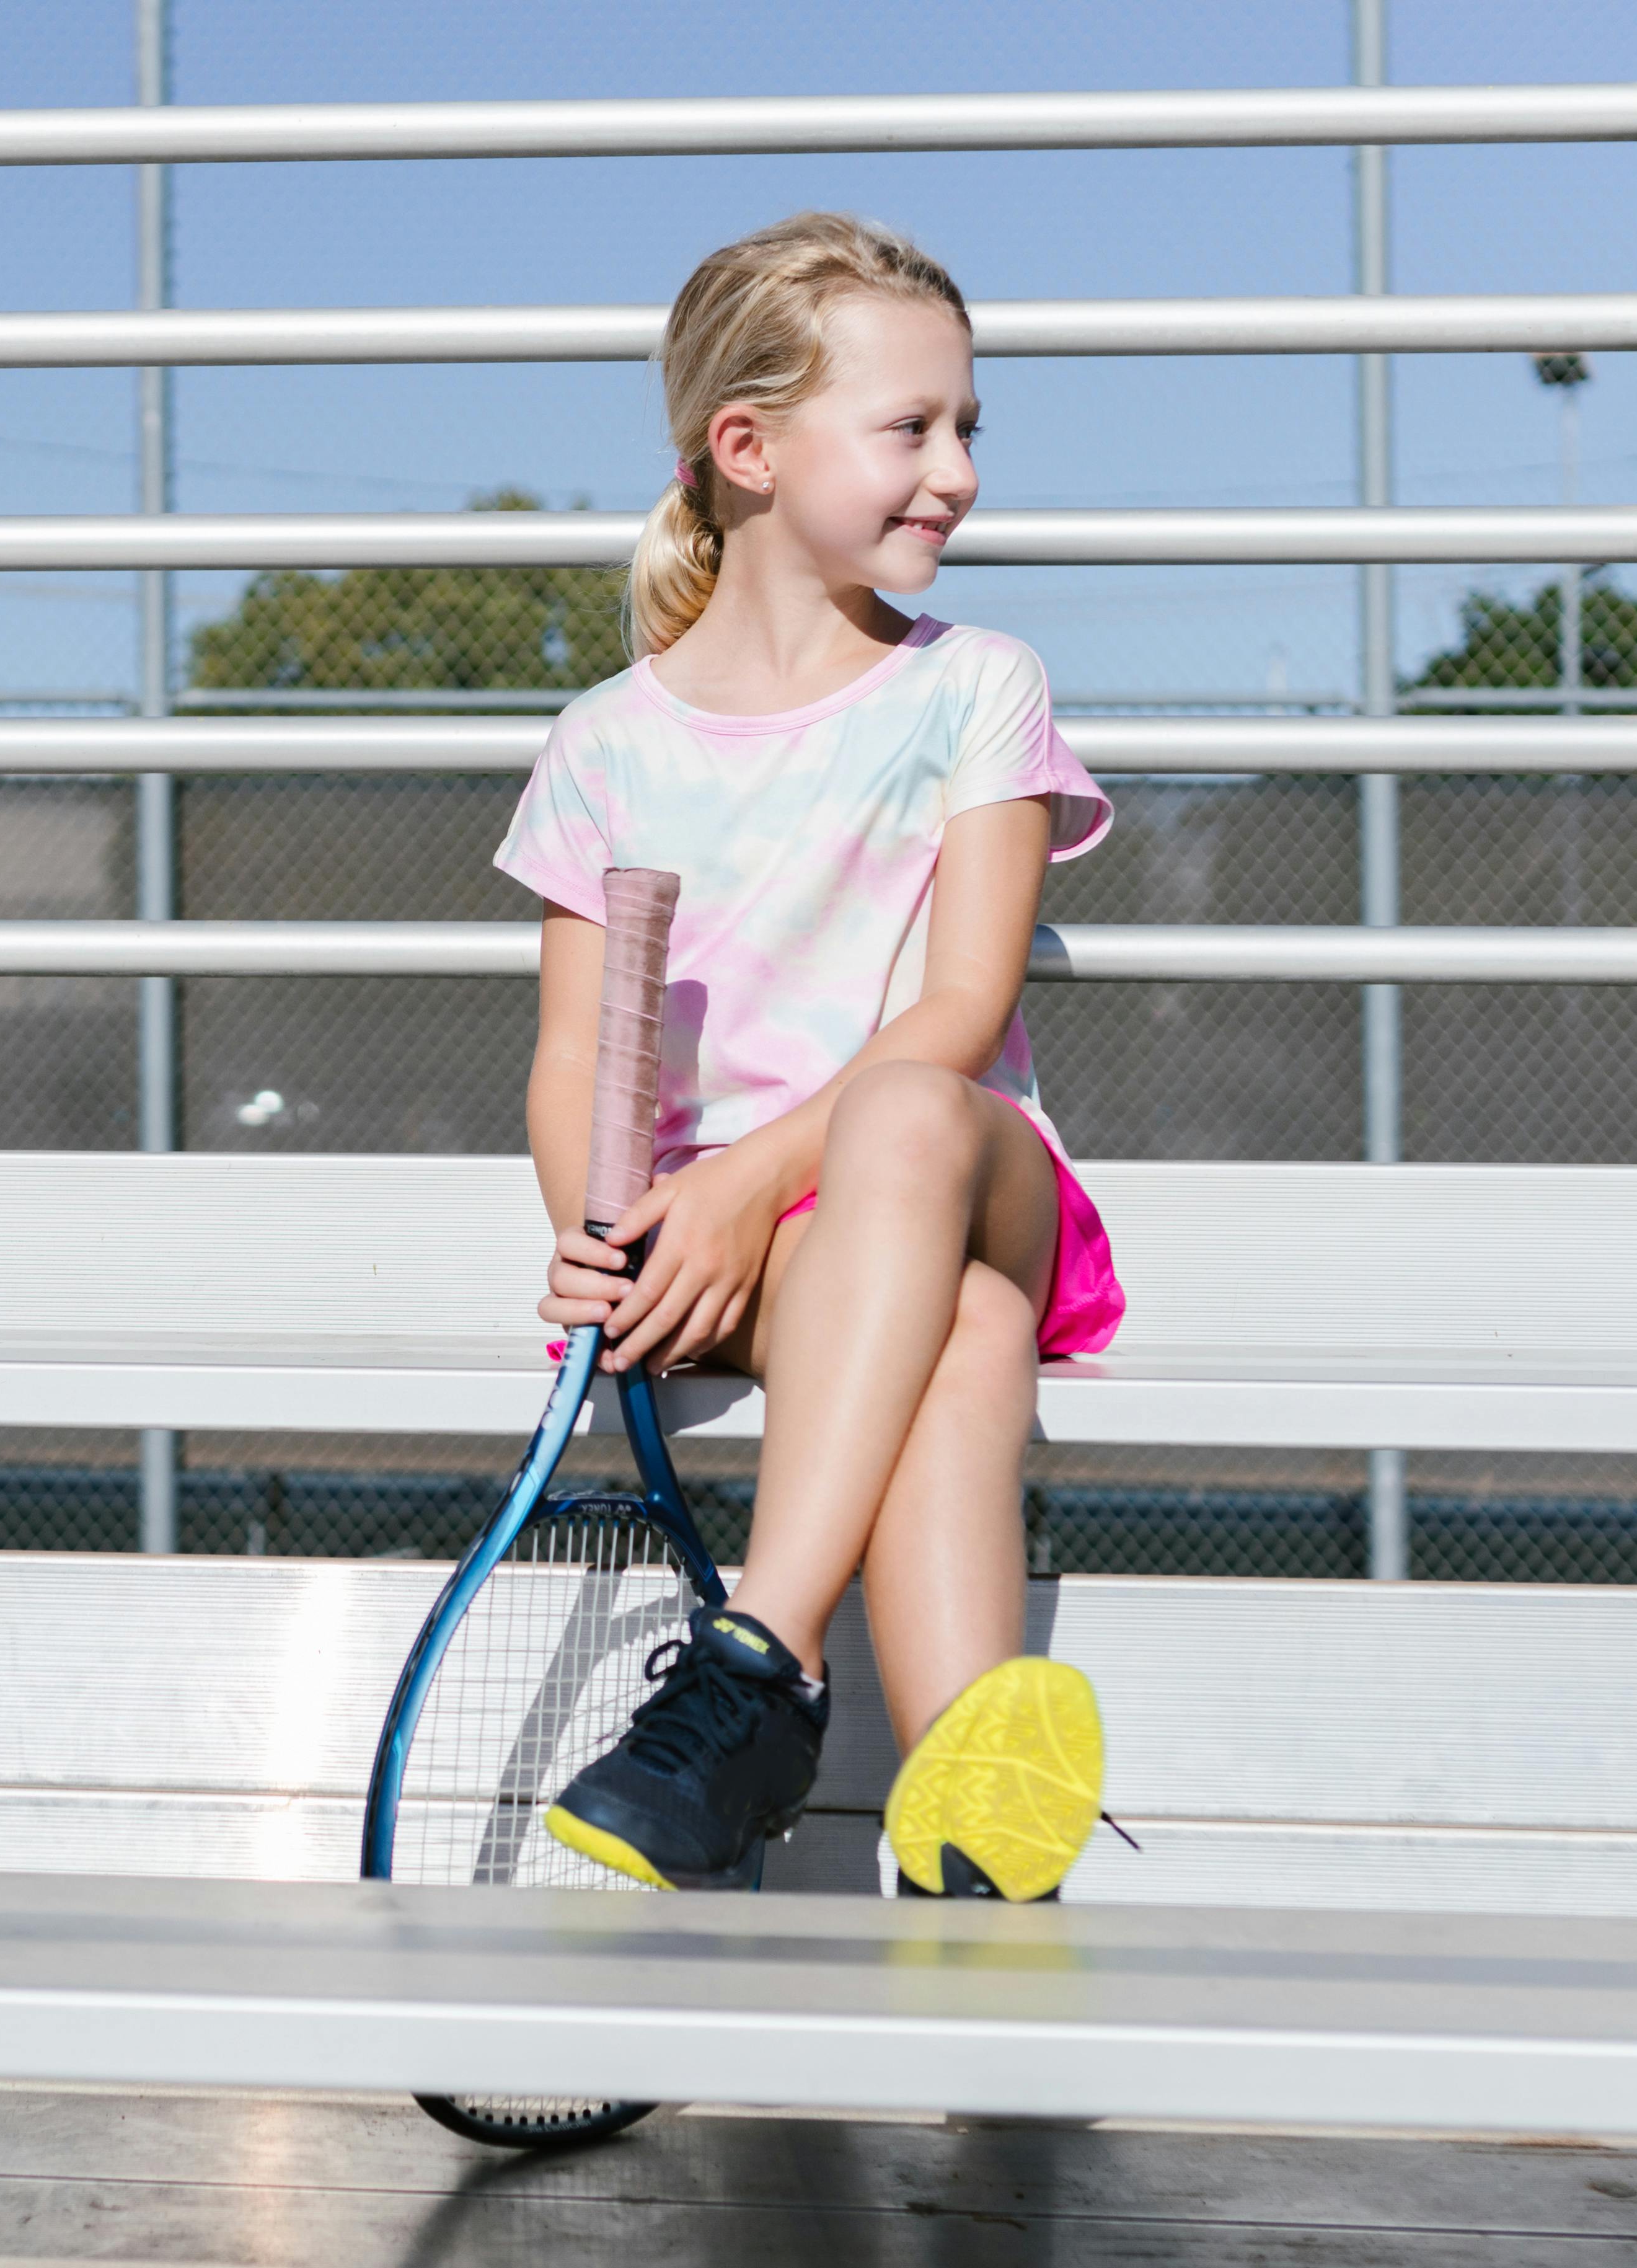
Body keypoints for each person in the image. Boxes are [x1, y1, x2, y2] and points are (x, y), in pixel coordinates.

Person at [498, 212, 1126, 1902]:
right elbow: (573, 1058)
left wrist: (742, 1187)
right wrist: (612, 1228)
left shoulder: (981, 686)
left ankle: (761, 1653)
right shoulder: (603, 746)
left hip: (968, 1173)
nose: (958, 472)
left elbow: (963, 1009)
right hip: (766, 1251)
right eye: (912, 428)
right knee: (962, 1338)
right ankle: (976, 1851)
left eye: (968, 427)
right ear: (750, 447)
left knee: (915, 1112)